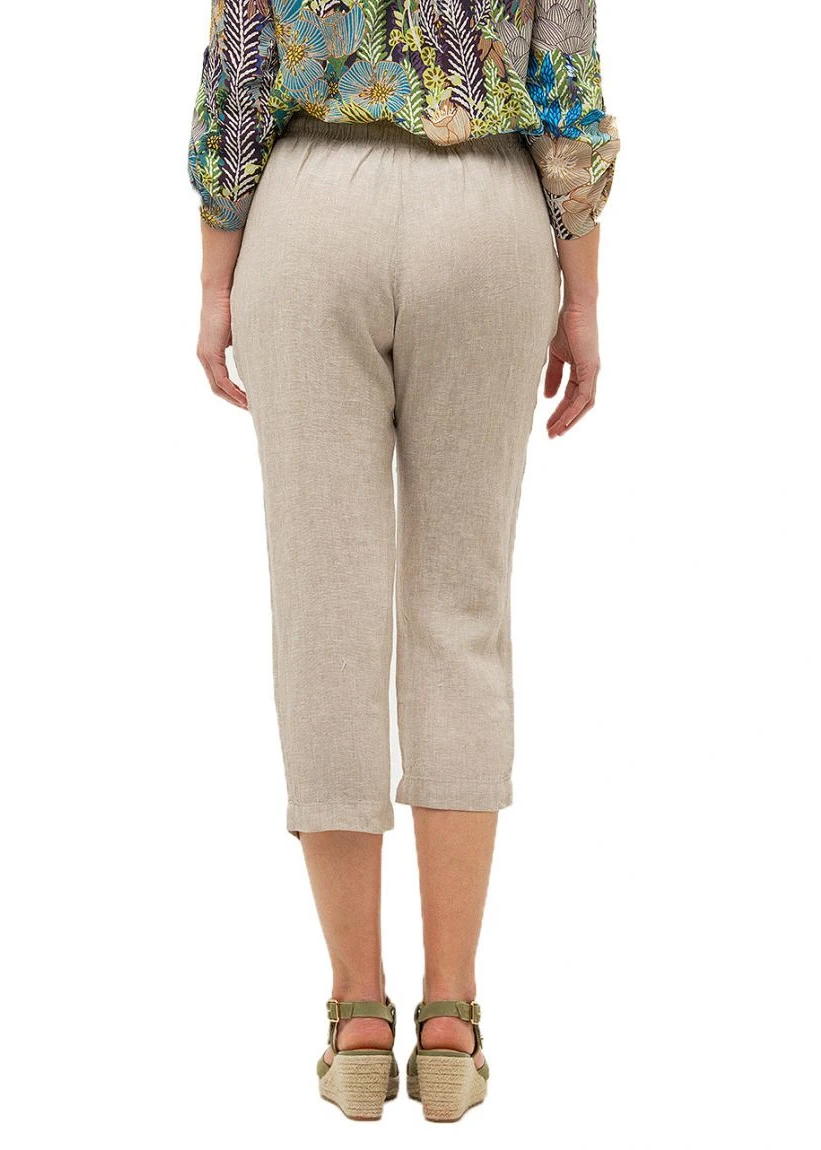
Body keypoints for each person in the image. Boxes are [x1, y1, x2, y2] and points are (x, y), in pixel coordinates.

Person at [188, 0, 619, 1122]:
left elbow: (239, 76)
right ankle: (451, 1017)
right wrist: (582, 292)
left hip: (308, 212)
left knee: (323, 608)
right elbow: (566, 83)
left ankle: (356, 1016)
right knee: (460, 610)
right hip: (486, 211)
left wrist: (215, 279)